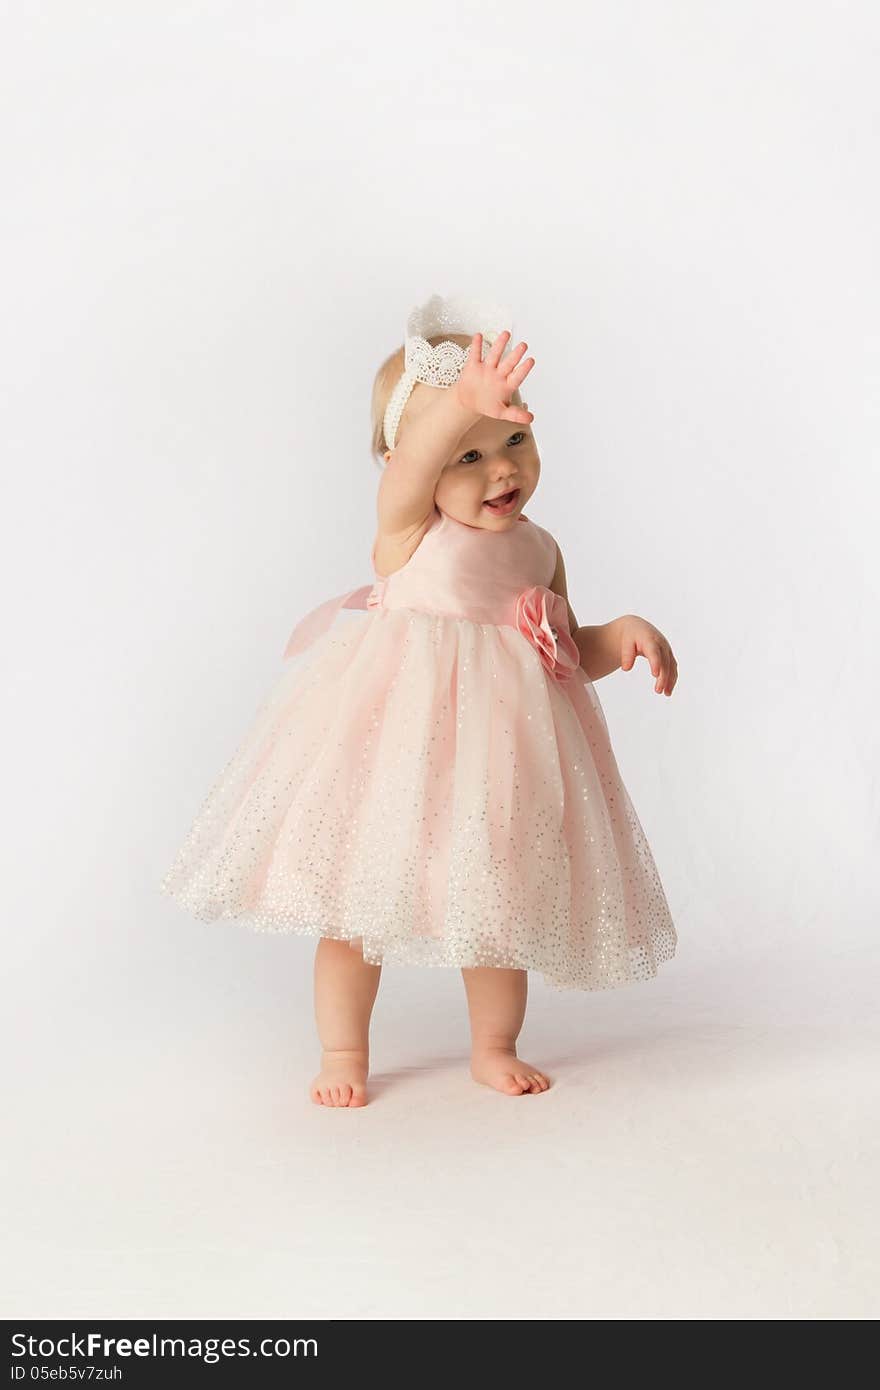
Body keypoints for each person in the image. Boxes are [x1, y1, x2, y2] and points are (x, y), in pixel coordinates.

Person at [160, 293, 679, 1108]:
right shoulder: (406, 530)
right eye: (465, 456)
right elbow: (412, 469)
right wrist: (457, 410)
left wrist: (626, 636)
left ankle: (493, 1045)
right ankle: (342, 1051)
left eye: (513, 440)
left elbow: (568, 650)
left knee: (497, 900)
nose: (502, 469)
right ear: (414, 458)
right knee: (354, 904)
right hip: (391, 750)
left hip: (494, 759)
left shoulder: (540, 549)